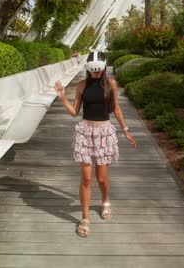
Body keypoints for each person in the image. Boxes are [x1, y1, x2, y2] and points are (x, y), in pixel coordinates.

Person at [54, 50, 136, 237]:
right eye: (93, 70)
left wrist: (126, 130)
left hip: (104, 133)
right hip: (85, 132)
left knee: (101, 178)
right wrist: (63, 98)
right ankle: (85, 218)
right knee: (87, 179)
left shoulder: (110, 84)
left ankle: (105, 200)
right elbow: (75, 112)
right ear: (89, 69)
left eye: (99, 70)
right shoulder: (81, 85)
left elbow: (115, 108)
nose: (96, 73)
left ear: (103, 68)